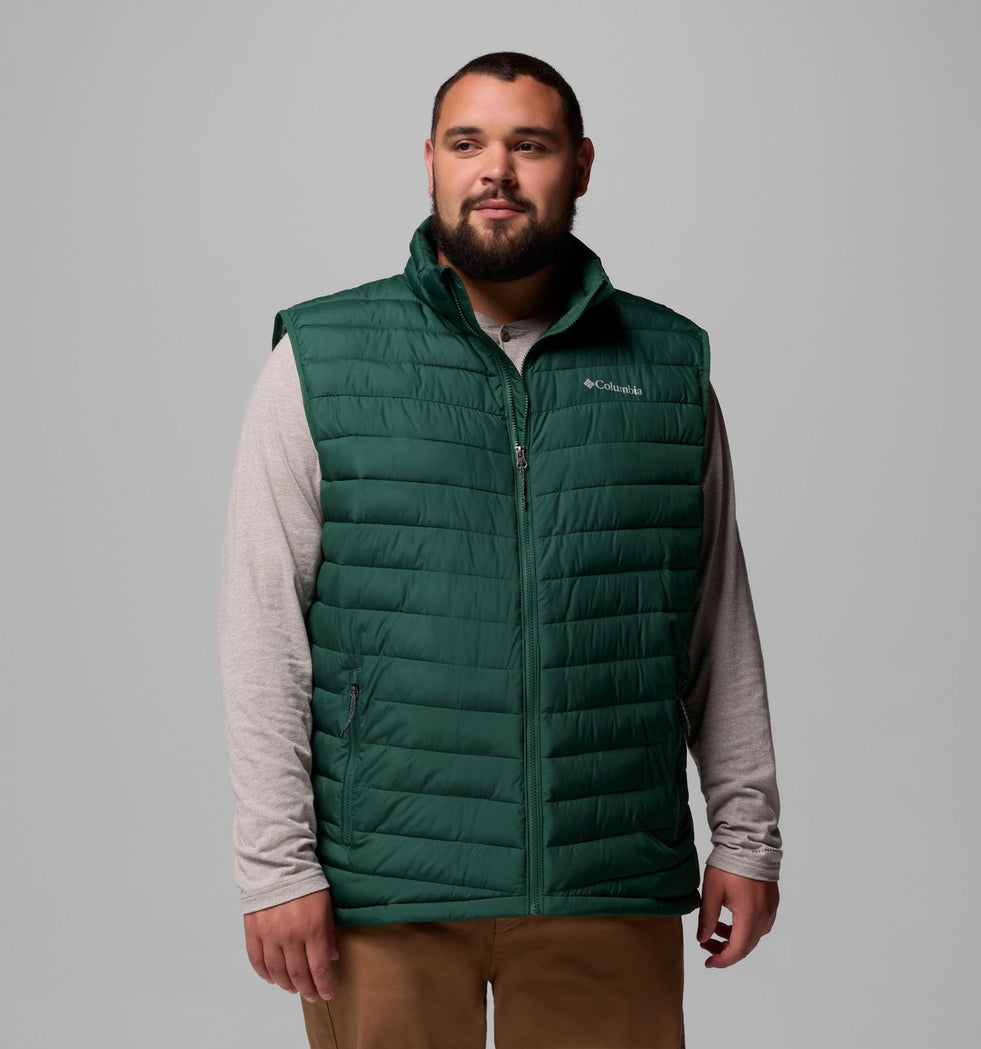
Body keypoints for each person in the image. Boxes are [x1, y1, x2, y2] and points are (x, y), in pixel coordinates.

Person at [218, 51, 782, 1049]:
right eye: (467, 143)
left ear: (581, 165)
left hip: (606, 877)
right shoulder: (319, 357)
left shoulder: (666, 366)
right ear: (429, 161)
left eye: (530, 145)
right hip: (387, 884)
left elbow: (714, 622)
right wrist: (276, 867)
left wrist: (746, 834)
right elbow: (262, 630)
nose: (497, 171)